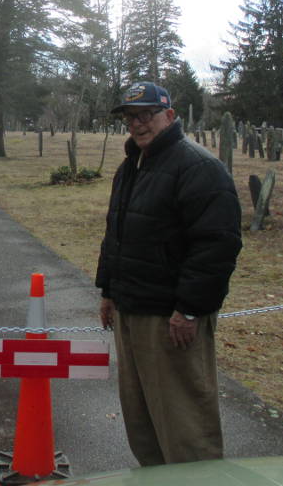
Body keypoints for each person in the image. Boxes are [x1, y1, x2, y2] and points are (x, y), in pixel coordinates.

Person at [96, 81, 242, 466]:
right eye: (131, 117)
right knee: (142, 420)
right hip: (131, 308)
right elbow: (117, 234)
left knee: (184, 426)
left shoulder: (198, 167)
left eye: (147, 114)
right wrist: (108, 291)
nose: (138, 123)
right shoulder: (132, 166)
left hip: (171, 318)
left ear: (170, 116)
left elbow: (216, 246)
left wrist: (190, 309)